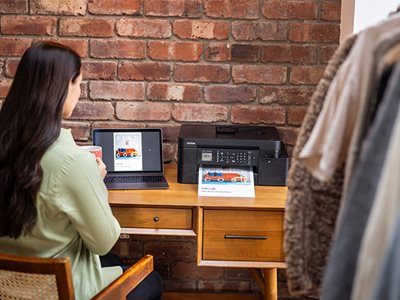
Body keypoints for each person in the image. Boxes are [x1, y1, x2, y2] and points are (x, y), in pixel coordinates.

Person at [0, 42, 162, 300]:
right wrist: (95, 183)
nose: (79, 92)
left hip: (8, 287)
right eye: (79, 84)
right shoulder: (74, 162)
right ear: (65, 86)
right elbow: (102, 241)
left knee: (111, 260)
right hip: (60, 291)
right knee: (151, 281)